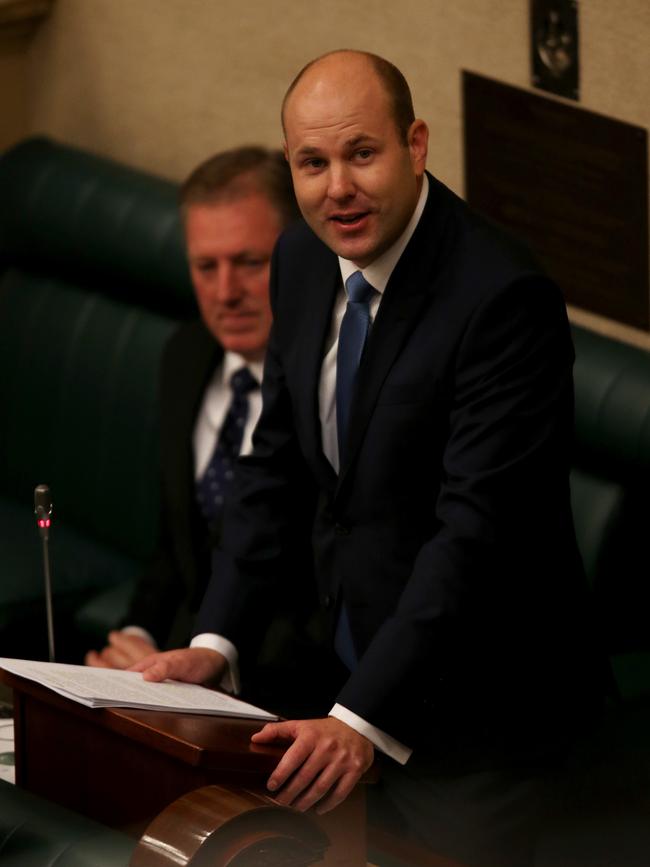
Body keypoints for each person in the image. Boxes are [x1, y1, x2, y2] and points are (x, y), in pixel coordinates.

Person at [132, 51, 604, 865]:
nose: (337, 188)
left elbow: (474, 537)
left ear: (416, 145)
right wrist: (218, 639)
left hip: (483, 734)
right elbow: (274, 463)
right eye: (313, 164)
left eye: (361, 153)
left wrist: (360, 719)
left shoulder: (501, 299)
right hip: (335, 682)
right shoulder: (302, 258)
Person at [86, 147, 327, 708]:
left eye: (249, 262)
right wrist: (138, 644)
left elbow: (326, 603)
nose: (225, 293)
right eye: (205, 266)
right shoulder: (188, 354)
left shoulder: (339, 393)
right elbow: (176, 547)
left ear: (302, 256)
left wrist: (200, 676)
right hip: (181, 671)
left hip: (291, 696)